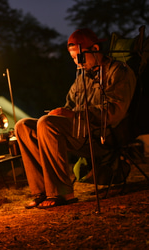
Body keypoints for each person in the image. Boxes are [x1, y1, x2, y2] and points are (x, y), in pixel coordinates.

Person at [15, 28, 136, 209]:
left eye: (79, 58)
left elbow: (114, 112)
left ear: (94, 49)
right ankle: (42, 190)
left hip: (103, 135)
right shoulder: (82, 77)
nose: (77, 63)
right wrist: (60, 112)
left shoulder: (118, 72)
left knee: (46, 124)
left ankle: (62, 193)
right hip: (79, 132)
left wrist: (73, 115)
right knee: (23, 126)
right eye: (73, 59)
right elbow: (69, 106)